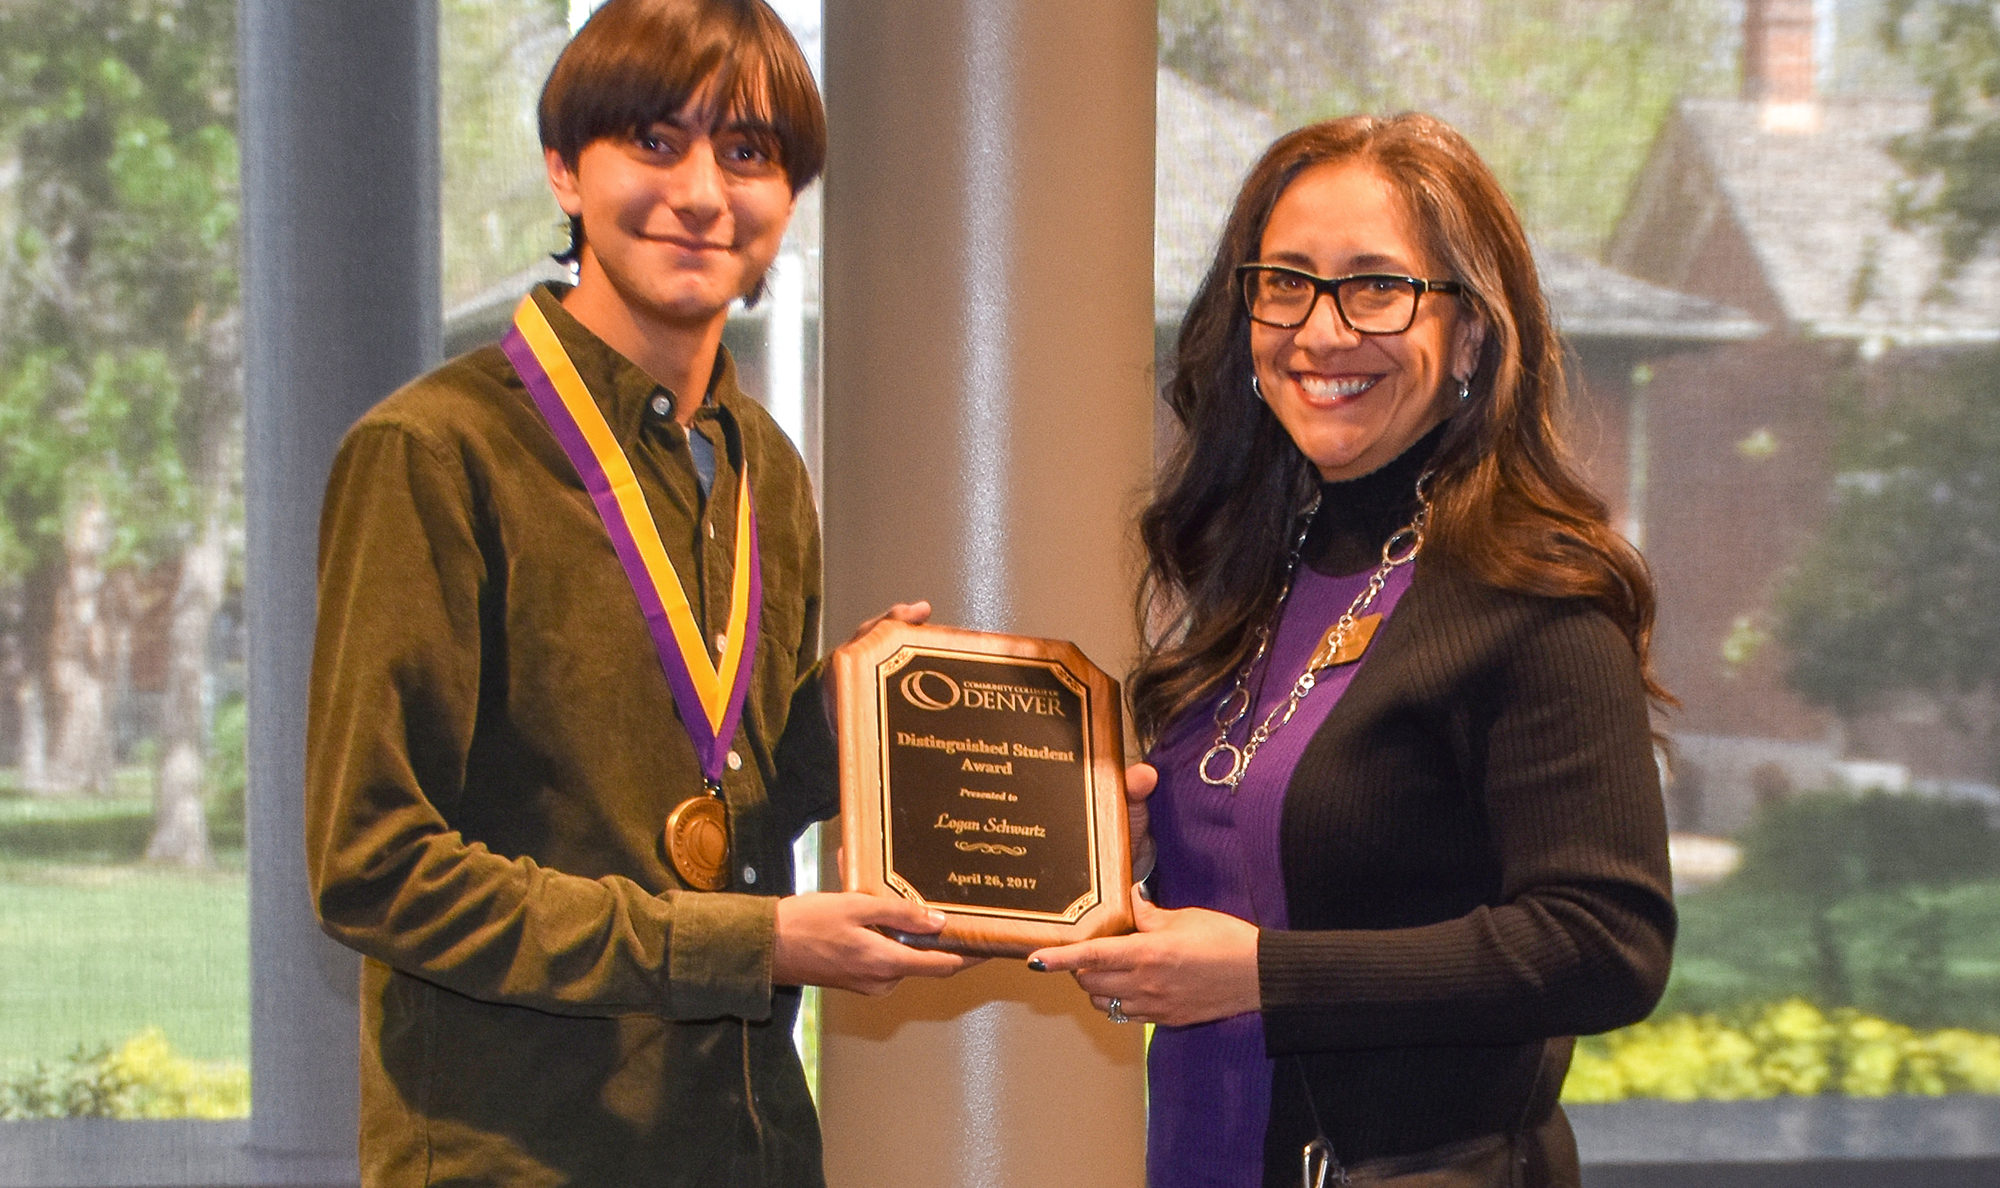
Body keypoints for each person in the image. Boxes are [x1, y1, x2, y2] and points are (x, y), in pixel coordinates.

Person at [304, 3, 970, 1185]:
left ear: (789, 195)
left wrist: (839, 732)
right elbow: (376, 866)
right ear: (565, 170)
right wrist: (743, 945)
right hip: (512, 1156)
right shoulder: (432, 453)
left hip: (743, 1137)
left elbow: (718, 798)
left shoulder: (761, 460)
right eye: (655, 144)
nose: (705, 192)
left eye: (748, 153)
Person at [1029, 114, 1676, 1188]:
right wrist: (1125, 861)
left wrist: (1262, 978)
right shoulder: (1260, 571)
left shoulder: (1536, 592)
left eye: (1375, 287)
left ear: (1469, 332)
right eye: (1283, 282)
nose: (1319, 332)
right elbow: (1285, 866)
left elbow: (1605, 943)